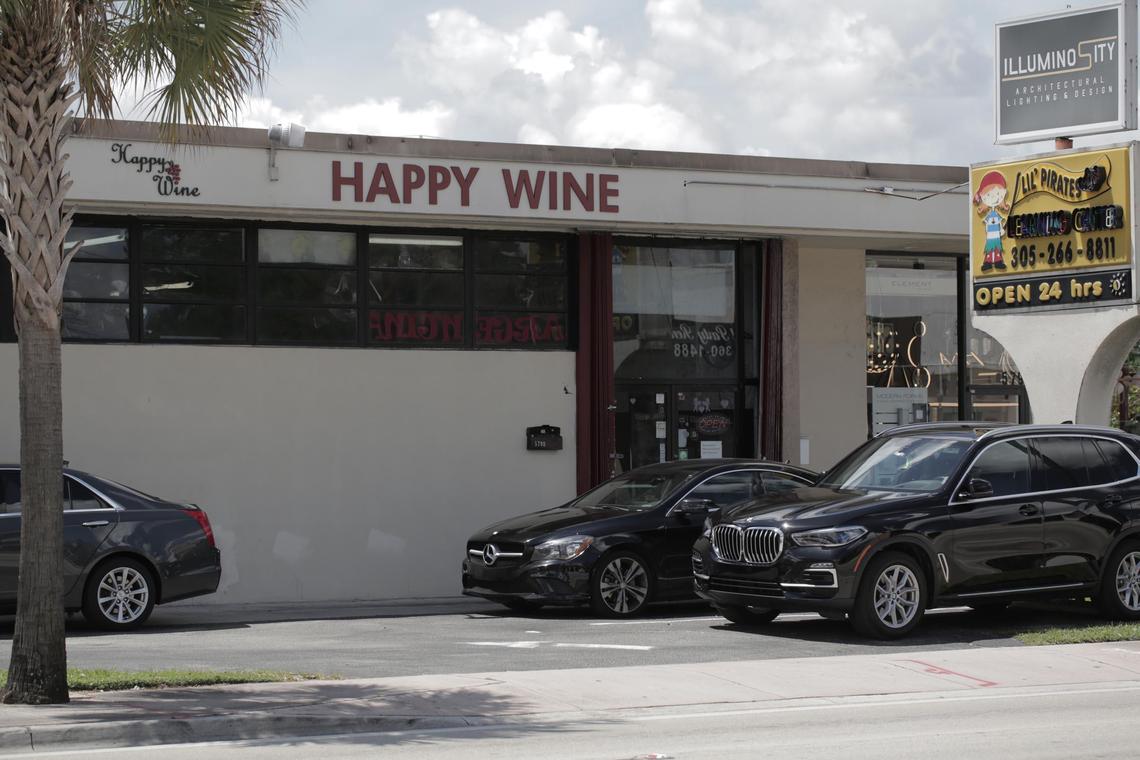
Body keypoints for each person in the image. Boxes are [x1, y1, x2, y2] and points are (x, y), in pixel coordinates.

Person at [974, 170, 1010, 272]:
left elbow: (998, 224)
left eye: (997, 193)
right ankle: (988, 263)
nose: (994, 197)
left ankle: (998, 262)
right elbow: (986, 226)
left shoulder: (997, 216)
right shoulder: (989, 216)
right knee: (990, 250)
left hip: (996, 236)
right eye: (989, 195)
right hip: (991, 236)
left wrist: (1001, 231)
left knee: (997, 250)